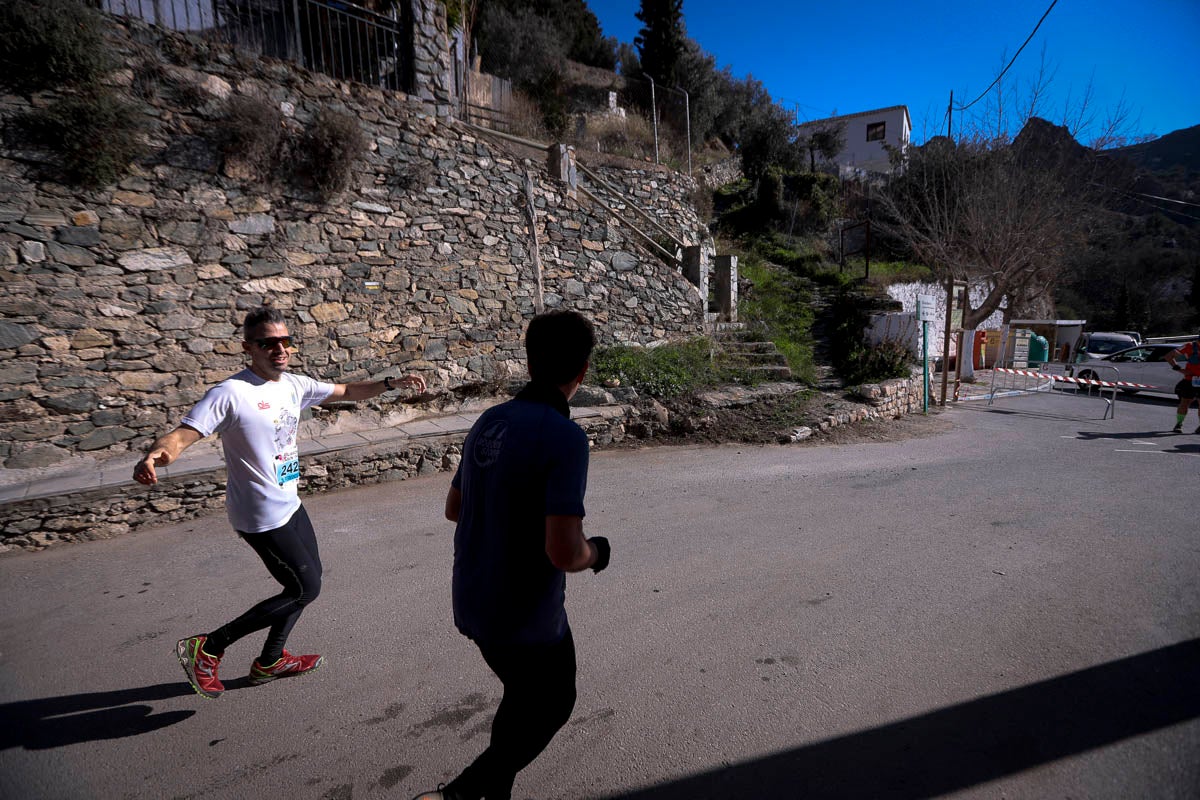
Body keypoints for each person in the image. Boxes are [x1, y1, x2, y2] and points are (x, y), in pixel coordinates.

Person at [133, 306, 426, 699]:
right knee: (304, 588)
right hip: (260, 515)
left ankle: (270, 660)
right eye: (268, 343)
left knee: (308, 581)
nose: (279, 349)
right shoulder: (230, 393)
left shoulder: (293, 385)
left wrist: (391, 382)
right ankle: (209, 647)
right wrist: (158, 454)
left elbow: (348, 392)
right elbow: (184, 434)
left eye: (284, 341)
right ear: (248, 348)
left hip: (289, 502)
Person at [413, 310, 610, 800]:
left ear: (529, 363)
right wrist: (599, 553)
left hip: (473, 600)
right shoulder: (565, 437)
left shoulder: (490, 420)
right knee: (555, 701)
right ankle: (459, 794)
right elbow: (564, 552)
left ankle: (488, 793)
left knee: (521, 698)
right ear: (583, 371)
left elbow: (455, 508)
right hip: (525, 616)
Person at [1166, 334, 1200, 433]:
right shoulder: (1189, 346)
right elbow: (1169, 356)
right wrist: (1180, 370)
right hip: (1190, 380)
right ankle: (1179, 424)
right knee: (1185, 402)